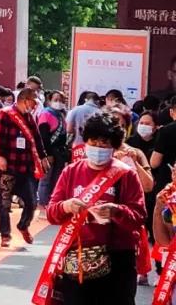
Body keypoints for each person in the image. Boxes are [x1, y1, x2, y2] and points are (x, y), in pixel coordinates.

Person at [44, 112, 145, 303]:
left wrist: (116, 211)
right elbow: (51, 213)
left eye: (104, 143)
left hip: (118, 258)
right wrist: (66, 206)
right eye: (93, 141)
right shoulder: (71, 171)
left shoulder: (126, 174)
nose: (98, 147)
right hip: (79, 256)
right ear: (86, 141)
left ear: (114, 145)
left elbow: (139, 216)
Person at [0, 87, 49, 247]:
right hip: (9, 165)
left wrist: (43, 156)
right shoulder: (6, 113)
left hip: (26, 166)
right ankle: (5, 234)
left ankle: (23, 225)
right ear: (25, 100)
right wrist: (1, 156)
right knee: (4, 202)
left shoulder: (29, 117)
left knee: (31, 202)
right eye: (32, 102)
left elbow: (37, 138)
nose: (34, 106)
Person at [37, 90, 70, 210]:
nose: (59, 102)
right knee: (46, 179)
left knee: (56, 179)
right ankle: (42, 204)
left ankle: (52, 204)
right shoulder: (46, 114)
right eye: (56, 100)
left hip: (59, 153)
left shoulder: (61, 115)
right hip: (49, 152)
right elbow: (43, 136)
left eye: (61, 100)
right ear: (49, 100)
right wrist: (47, 154)